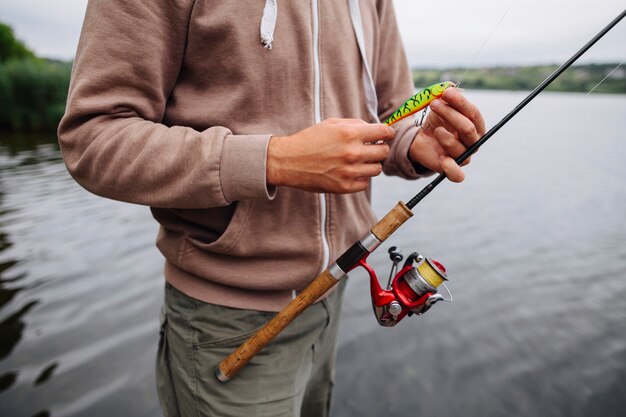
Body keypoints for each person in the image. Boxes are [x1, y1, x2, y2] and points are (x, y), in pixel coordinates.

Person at [58, 0, 485, 416]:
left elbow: (389, 113)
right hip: (224, 321)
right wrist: (274, 160)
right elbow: (94, 138)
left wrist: (415, 144)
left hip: (331, 298)